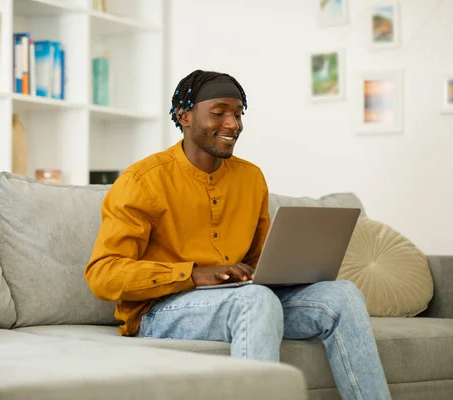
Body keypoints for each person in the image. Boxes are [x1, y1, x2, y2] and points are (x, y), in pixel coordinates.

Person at [85, 69, 391, 400]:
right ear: (184, 115)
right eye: (219, 113)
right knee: (255, 300)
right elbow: (103, 274)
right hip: (160, 311)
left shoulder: (251, 178)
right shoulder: (142, 181)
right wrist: (194, 275)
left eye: (238, 113)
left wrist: (283, 271)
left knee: (343, 294)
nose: (234, 124)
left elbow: (259, 259)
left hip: (242, 300)